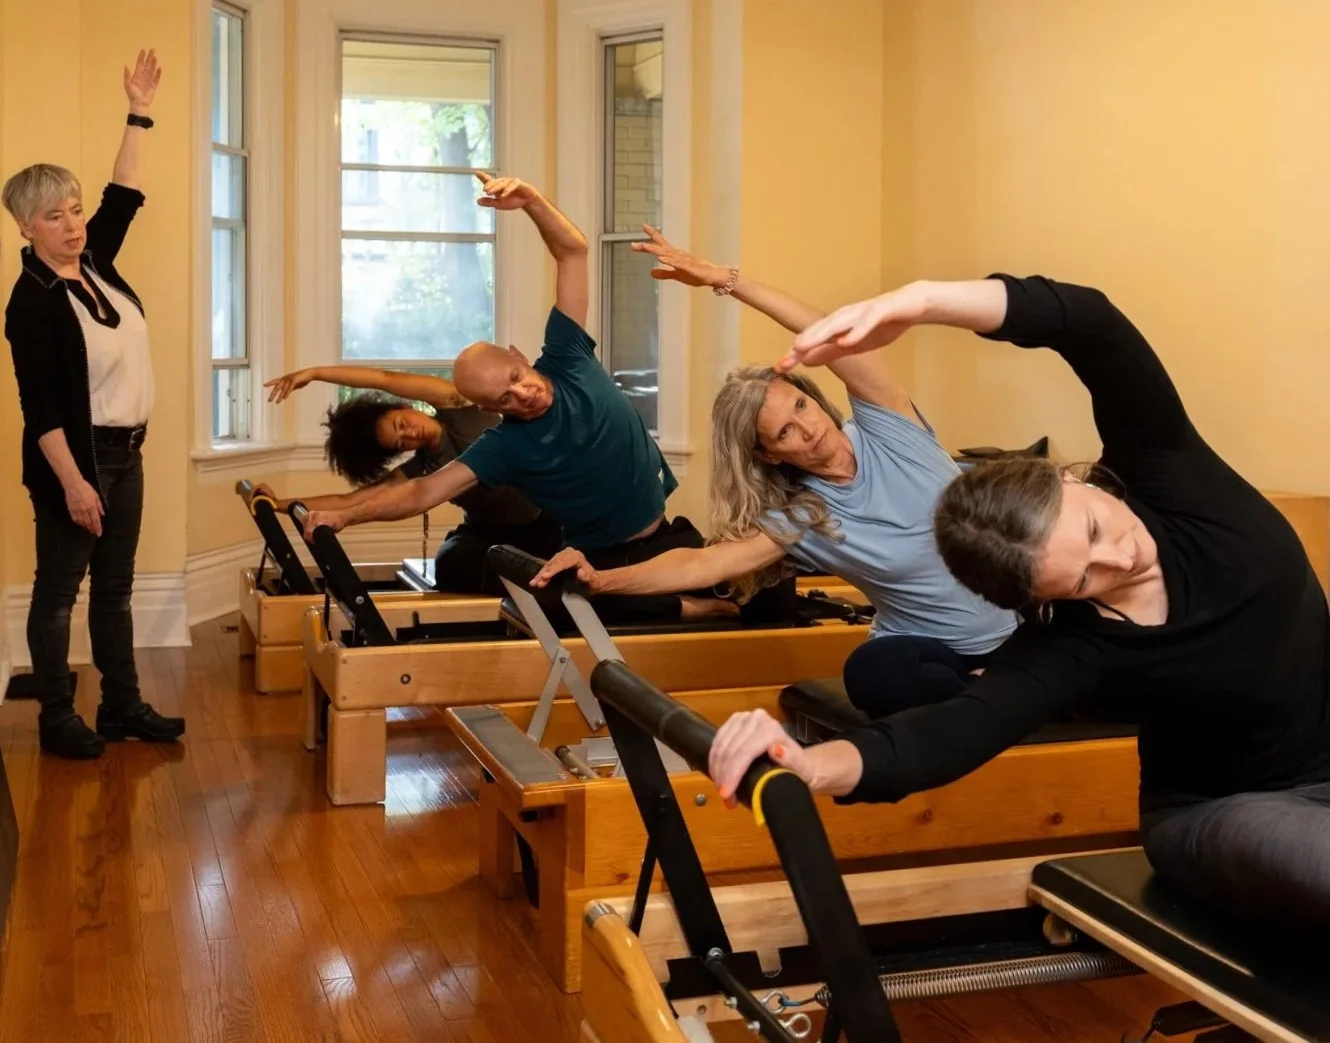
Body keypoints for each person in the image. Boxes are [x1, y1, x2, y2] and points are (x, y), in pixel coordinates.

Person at [707, 273, 1330, 930]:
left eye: (1093, 529)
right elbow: (945, 735)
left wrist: (918, 303)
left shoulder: (1171, 473)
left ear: (1069, 480)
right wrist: (805, 764)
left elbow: (1091, 324)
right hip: (1227, 812)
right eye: (1084, 579)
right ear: (1044, 601)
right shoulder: (1073, 648)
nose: (1120, 559)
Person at [529, 229, 1015, 716]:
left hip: (1022, 626)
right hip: (936, 654)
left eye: (802, 406)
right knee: (873, 672)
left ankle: (1003, 680)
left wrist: (725, 280)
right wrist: (602, 579)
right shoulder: (802, 516)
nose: (808, 429)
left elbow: (833, 334)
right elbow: (701, 564)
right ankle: (988, 688)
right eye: (784, 433)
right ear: (769, 456)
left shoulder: (891, 429)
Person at [301, 174, 738, 623]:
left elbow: (573, 251)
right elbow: (422, 491)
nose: (522, 394)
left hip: (666, 539)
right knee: (548, 603)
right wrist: (347, 517)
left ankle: (691, 602)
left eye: (516, 376)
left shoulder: (567, 355)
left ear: (518, 355)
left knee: (761, 592)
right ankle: (688, 609)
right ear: (491, 410)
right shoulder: (503, 446)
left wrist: (532, 201)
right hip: (597, 558)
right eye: (504, 399)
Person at [2, 50, 185, 759]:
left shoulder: (96, 265)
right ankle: (55, 716)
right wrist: (76, 483)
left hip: (128, 455)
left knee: (114, 590)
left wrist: (138, 110)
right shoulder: (32, 305)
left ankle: (122, 707)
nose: (74, 225)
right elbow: (40, 409)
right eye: (55, 216)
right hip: (76, 464)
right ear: (26, 227)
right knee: (58, 594)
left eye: (75, 211)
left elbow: (123, 194)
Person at [258, 364, 560, 594]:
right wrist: (276, 504)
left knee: (538, 552)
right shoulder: (422, 468)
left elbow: (385, 379)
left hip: (542, 520)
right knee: (450, 566)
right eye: (400, 444)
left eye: (401, 424)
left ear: (405, 407)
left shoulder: (459, 406)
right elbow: (350, 501)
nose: (410, 434)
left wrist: (316, 373)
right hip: (490, 531)